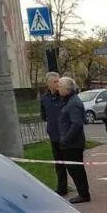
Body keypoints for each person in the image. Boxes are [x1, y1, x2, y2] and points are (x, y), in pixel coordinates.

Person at [57, 76, 90, 204]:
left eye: (60, 86)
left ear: (67, 89)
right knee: (73, 169)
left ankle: (83, 193)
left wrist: (65, 139)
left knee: (76, 169)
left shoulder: (73, 102)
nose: (58, 88)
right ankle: (82, 192)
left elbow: (76, 124)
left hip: (73, 144)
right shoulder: (68, 100)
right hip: (70, 142)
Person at [39, 72, 68, 196]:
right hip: (54, 136)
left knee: (72, 164)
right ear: (48, 83)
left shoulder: (64, 96)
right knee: (59, 164)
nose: (57, 84)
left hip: (67, 135)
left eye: (58, 81)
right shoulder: (45, 98)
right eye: (54, 82)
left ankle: (82, 191)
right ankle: (62, 188)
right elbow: (44, 115)